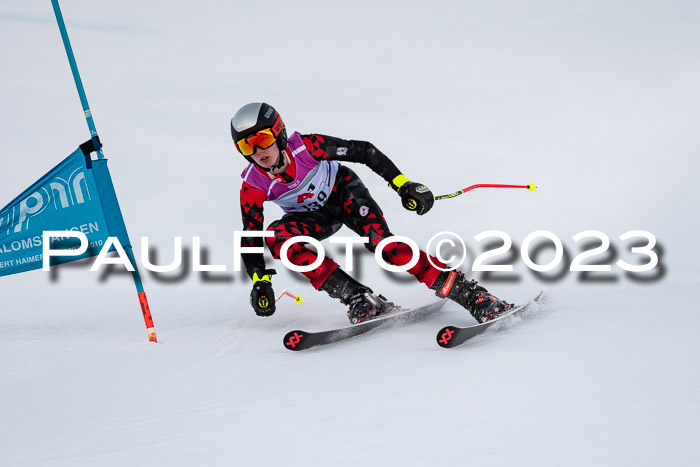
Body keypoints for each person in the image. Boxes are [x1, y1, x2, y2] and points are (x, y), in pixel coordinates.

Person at [233, 102, 512, 324]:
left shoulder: (308, 147)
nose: (258, 151)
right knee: (275, 236)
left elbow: (364, 151)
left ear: (279, 133)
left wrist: (403, 184)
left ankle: (472, 295)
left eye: (262, 138)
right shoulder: (252, 185)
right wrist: (260, 280)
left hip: (343, 193)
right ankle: (358, 298)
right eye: (247, 145)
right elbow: (250, 236)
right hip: (313, 218)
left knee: (382, 244)